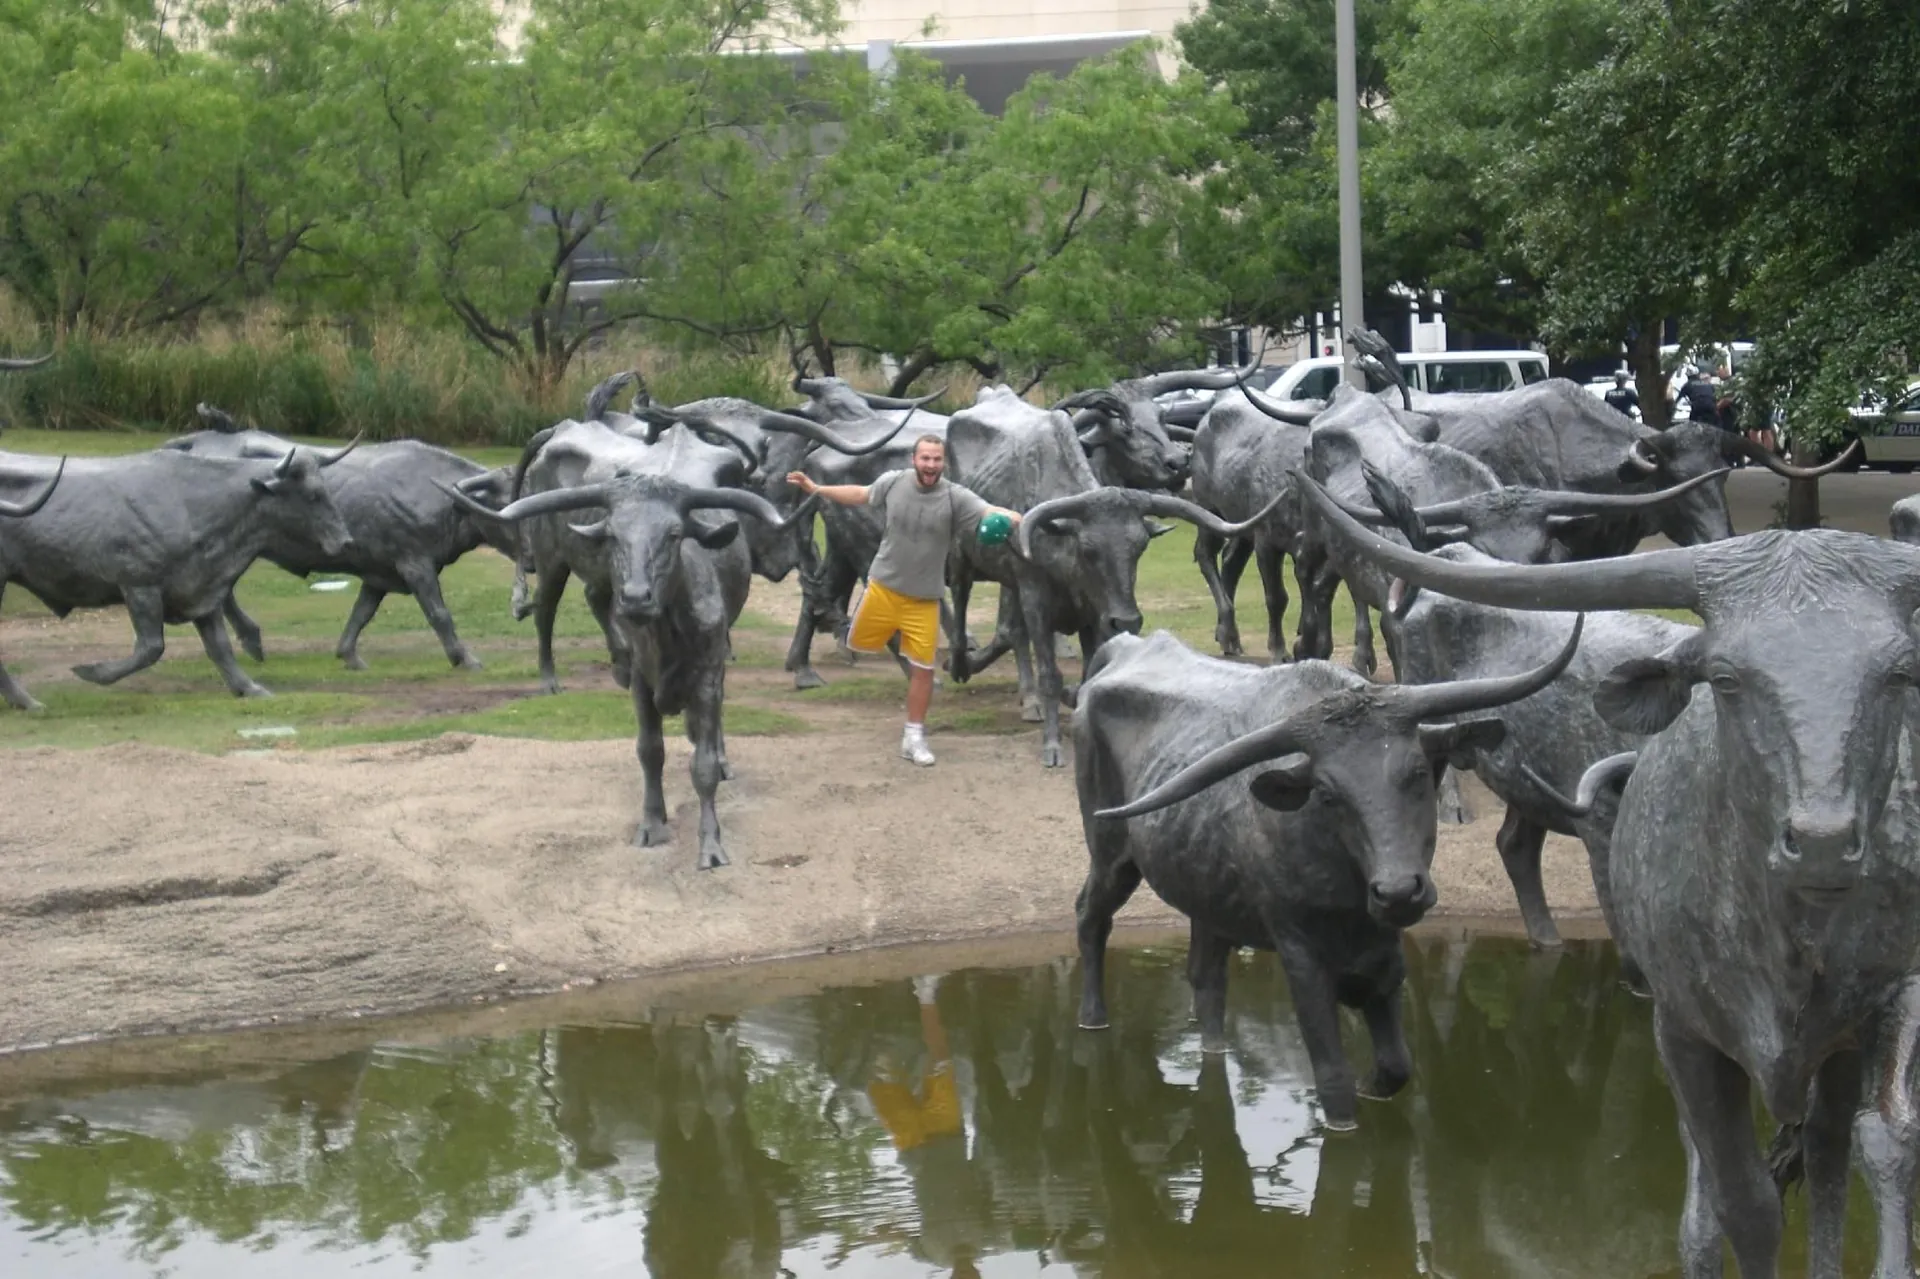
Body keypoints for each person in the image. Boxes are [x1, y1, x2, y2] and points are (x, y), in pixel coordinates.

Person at [787, 435, 1020, 767]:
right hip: (883, 589)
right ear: (914, 459)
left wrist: (1018, 518)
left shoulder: (956, 498)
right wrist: (818, 490)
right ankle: (840, 623)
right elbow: (861, 494)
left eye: (937, 459)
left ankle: (914, 736)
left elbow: (989, 510)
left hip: (925, 600)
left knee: (922, 670)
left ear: (944, 463)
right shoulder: (893, 483)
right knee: (857, 640)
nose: (931, 465)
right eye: (925, 458)